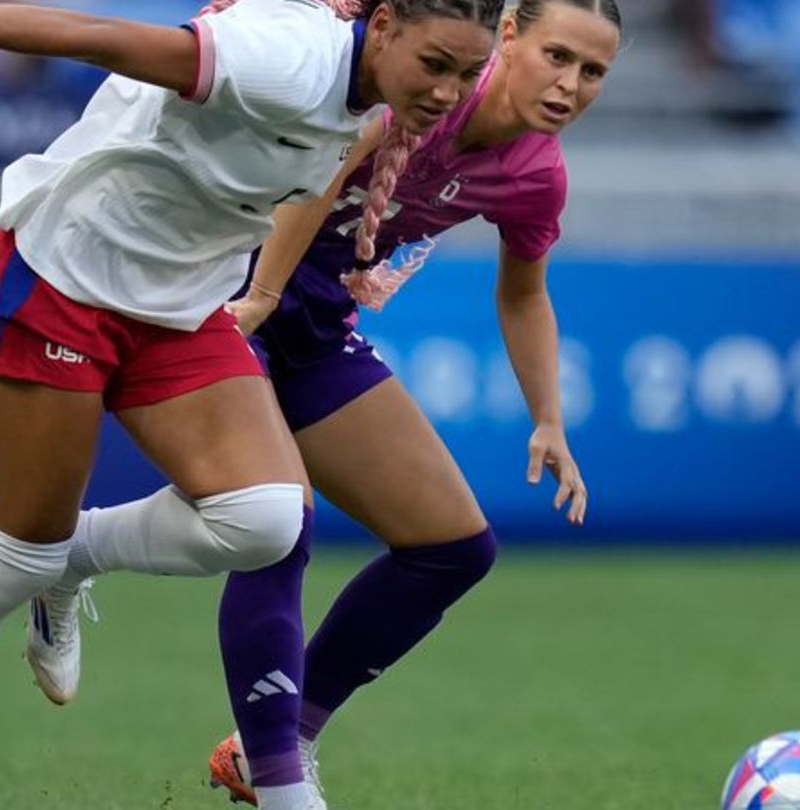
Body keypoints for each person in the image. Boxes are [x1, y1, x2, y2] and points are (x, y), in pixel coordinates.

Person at [0, 0, 501, 807]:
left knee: (266, 519)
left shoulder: (370, 108)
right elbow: (102, 38)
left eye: (467, 72)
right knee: (18, 551)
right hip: (58, 283)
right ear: (383, 28)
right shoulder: (283, 55)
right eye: (436, 65)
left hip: (179, 308)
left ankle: (74, 558)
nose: (449, 89)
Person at [200, 0, 621, 800]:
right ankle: (283, 780)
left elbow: (524, 295)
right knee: (275, 521)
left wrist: (549, 418)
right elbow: (319, 176)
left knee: (453, 546)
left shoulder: (537, 172)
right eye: (557, 56)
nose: (570, 85)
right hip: (226, 286)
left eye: (593, 71)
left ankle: (273, 745)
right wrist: (258, 296)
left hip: (313, 318)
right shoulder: (425, 83)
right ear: (507, 35)